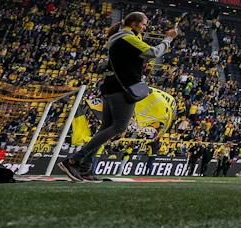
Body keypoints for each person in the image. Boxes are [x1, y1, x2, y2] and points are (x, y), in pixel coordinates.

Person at [58, 11, 176, 181]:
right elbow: (152, 52)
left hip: (111, 87)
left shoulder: (122, 38)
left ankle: (85, 169)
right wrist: (168, 39)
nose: (145, 27)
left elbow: (133, 58)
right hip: (122, 89)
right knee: (120, 127)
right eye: (143, 24)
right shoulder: (126, 37)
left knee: (105, 128)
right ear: (134, 24)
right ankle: (74, 160)